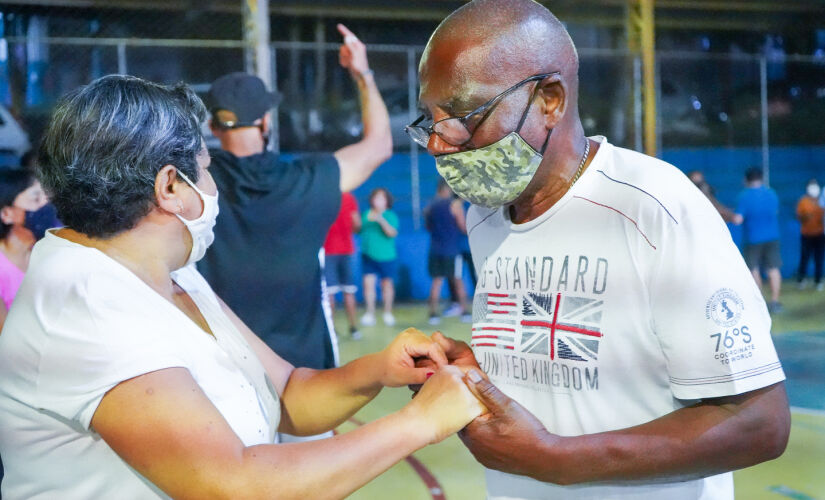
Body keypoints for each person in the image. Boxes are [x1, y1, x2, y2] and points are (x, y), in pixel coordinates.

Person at [0, 74, 484, 499]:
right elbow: (232, 486)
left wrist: (381, 368)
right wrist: (419, 423)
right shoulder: (84, 303)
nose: (211, 186)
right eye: (205, 170)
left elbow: (289, 395)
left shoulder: (171, 273)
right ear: (170, 187)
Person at [407, 1, 790, 498]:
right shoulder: (486, 213)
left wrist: (556, 459)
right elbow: (565, 358)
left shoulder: (654, 209)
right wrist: (480, 372)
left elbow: (760, 423)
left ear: (550, 100)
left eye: (461, 115)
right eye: (430, 121)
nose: (439, 143)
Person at [197, 24, 392, 376]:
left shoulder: (195, 185)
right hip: (302, 374)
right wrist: (362, 74)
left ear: (214, 127)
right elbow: (379, 145)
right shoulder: (307, 178)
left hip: (223, 373)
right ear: (266, 121)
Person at [0, 169, 48, 329]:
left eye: (46, 195)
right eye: (36, 197)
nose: (46, 203)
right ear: (7, 214)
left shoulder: (44, 251)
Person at [734, 167, 783, 313]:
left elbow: (738, 219)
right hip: (772, 236)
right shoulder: (772, 193)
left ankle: (759, 302)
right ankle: (775, 301)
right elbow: (775, 212)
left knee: (753, 269)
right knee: (773, 268)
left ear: (746, 179)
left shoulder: (744, 196)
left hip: (753, 238)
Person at [424, 178, 471, 325]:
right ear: (448, 190)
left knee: (436, 282)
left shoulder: (429, 207)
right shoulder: (455, 206)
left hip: (435, 249)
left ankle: (433, 314)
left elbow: (428, 227)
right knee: (458, 281)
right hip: (452, 250)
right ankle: (464, 312)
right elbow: (463, 227)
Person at [324, 191, 363, 338]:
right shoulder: (349, 197)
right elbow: (357, 224)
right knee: (349, 291)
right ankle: (354, 328)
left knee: (330, 293)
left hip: (328, 251)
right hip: (346, 251)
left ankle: (332, 330)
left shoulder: (323, 197)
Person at [358, 187, 399, 327]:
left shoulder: (390, 215)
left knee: (387, 285)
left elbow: (392, 233)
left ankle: (387, 312)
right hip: (368, 255)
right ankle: (370, 313)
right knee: (368, 285)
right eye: (376, 198)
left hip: (387, 256)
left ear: (387, 201)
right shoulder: (366, 215)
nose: (378, 201)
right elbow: (358, 229)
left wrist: (380, 220)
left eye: (381, 198)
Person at [795, 178, 824, 290]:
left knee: (819, 259)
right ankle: (801, 279)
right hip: (806, 234)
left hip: (820, 234)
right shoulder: (803, 201)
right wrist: (806, 217)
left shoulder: (822, 201)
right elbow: (798, 216)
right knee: (805, 258)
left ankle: (818, 281)